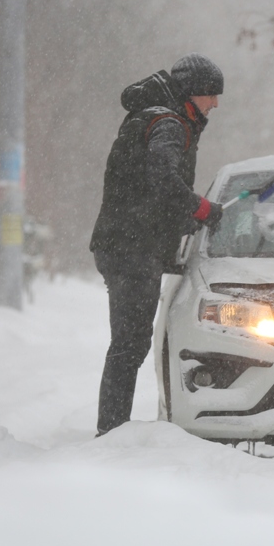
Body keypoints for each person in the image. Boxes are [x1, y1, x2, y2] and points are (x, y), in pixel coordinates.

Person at [89, 53, 225, 436]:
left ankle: (112, 429)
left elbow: (146, 192)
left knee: (128, 342)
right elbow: (162, 180)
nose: (215, 104)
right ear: (191, 93)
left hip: (125, 243)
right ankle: (111, 432)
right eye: (211, 95)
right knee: (129, 344)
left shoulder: (155, 116)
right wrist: (203, 209)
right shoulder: (168, 123)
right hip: (131, 248)